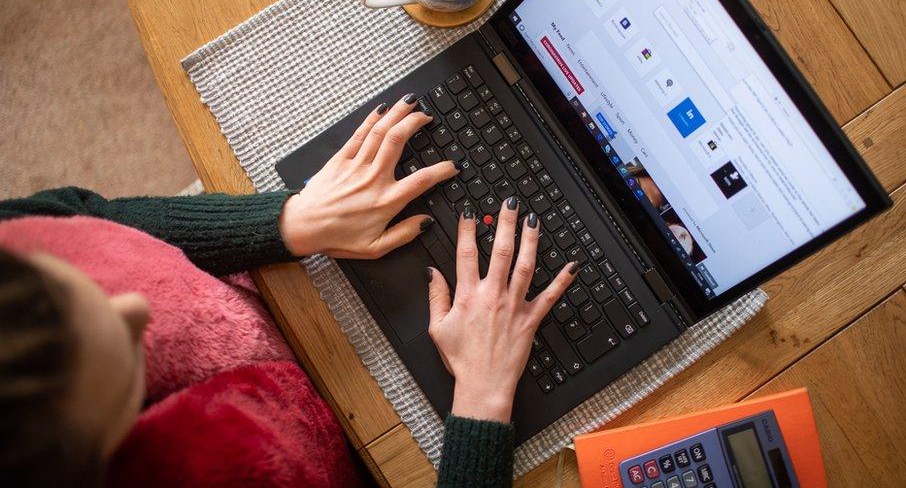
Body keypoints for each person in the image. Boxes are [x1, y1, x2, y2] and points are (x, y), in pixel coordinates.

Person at [0, 95, 576, 487]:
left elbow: (81, 216)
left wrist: (291, 222)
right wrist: (483, 395)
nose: (134, 305)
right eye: (124, 354)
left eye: (86, 288)